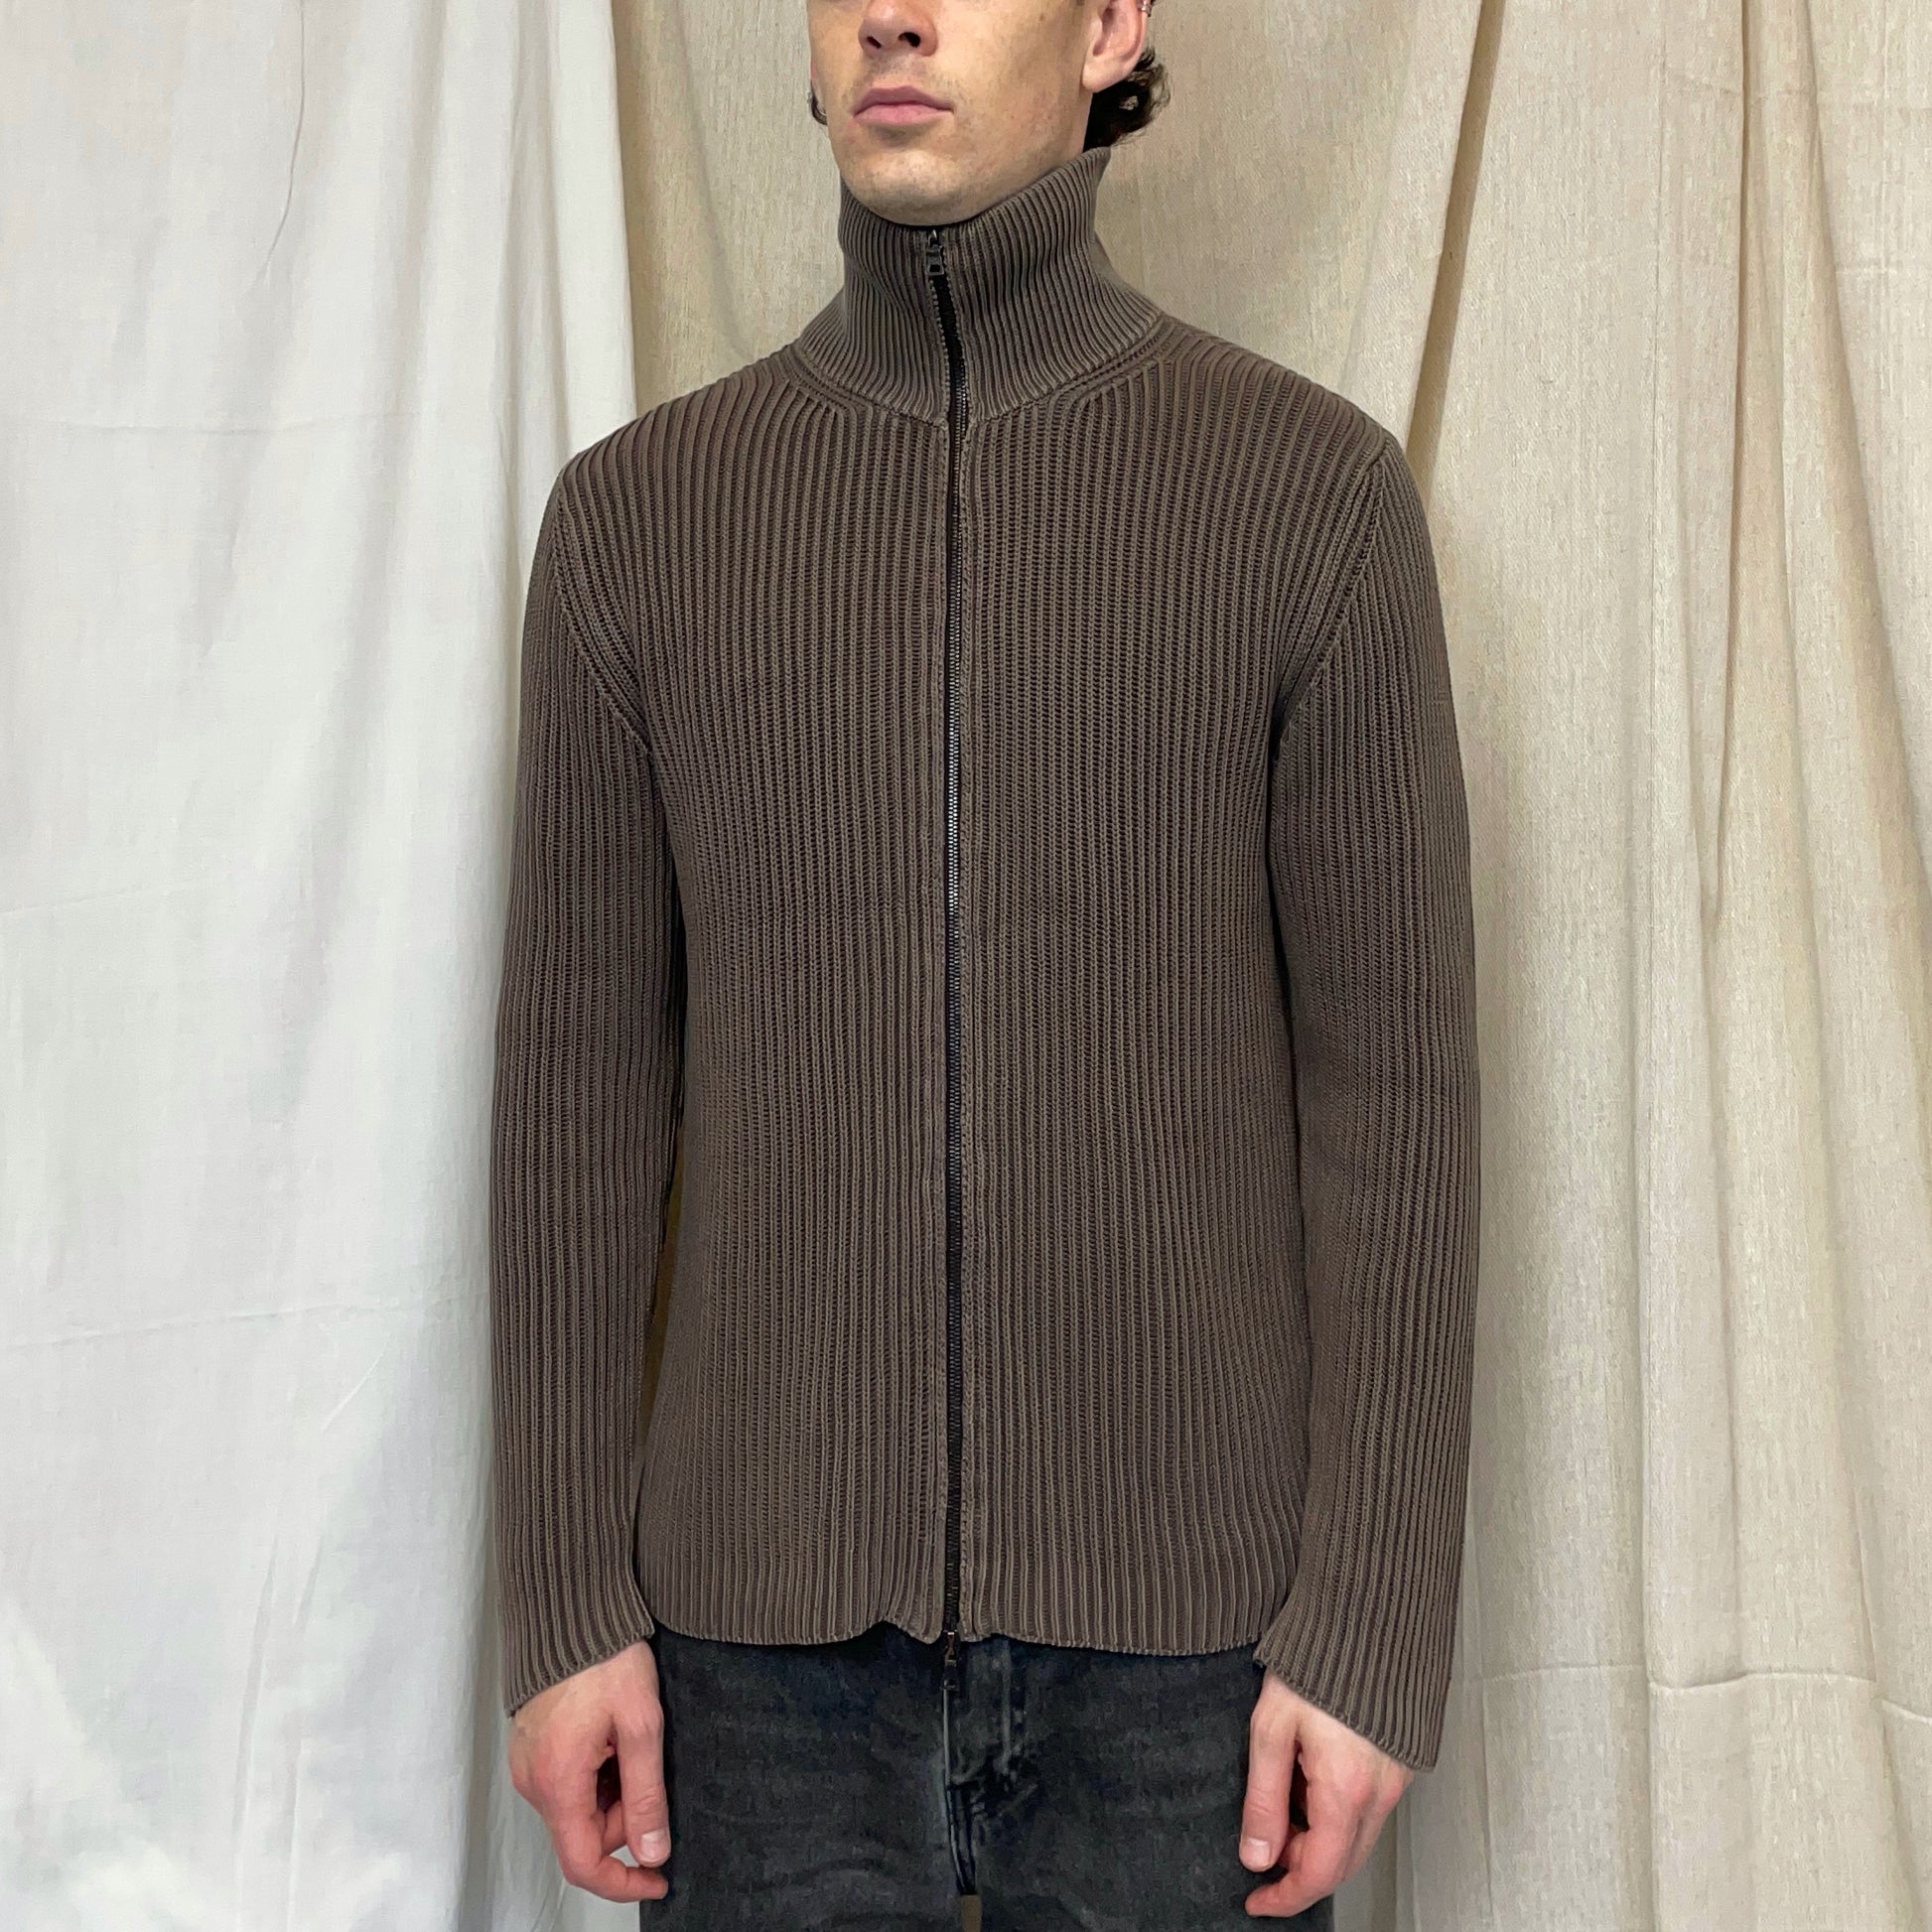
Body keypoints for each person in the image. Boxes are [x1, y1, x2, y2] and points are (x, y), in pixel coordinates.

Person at [486, 0, 1482, 1923]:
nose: (891, 13)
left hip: (1191, 1665)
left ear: (1109, 28)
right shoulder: (635, 529)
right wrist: (560, 1603)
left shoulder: (1311, 502)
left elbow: (1397, 1104)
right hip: (750, 1665)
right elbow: (571, 1111)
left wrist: (1368, 1622)